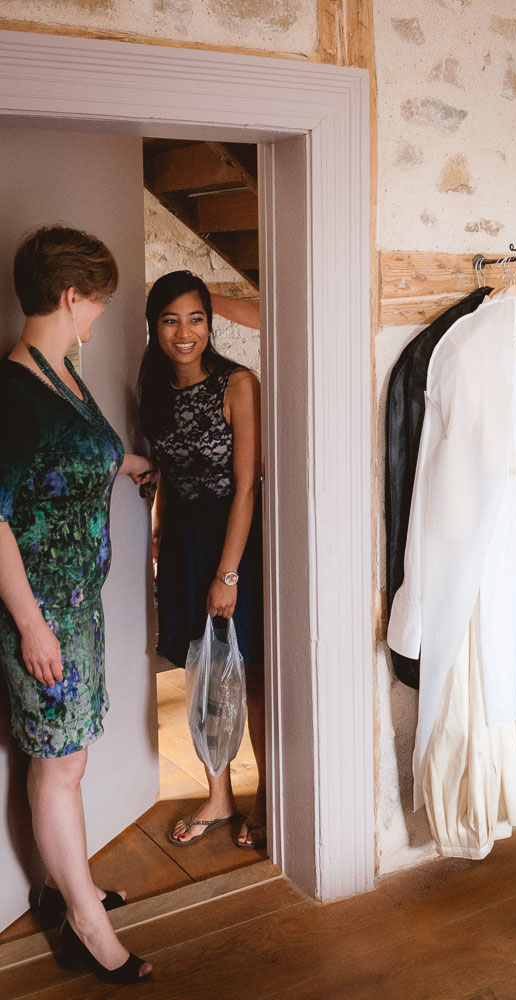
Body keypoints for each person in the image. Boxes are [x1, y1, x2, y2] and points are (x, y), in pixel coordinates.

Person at [0, 226, 154, 984]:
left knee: (70, 757)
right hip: (41, 616)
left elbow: (74, 453)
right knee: (59, 763)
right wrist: (31, 625)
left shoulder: (62, 372)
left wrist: (129, 464)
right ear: (71, 295)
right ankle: (88, 925)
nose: (99, 314)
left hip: (79, 610)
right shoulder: (11, 393)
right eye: (97, 301)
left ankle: (67, 888)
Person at [139, 271, 266, 850]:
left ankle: (266, 795)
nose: (184, 332)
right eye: (170, 320)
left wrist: (227, 574)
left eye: (195, 319)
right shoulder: (155, 387)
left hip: (233, 542)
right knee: (202, 672)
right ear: (154, 326)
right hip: (184, 545)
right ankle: (219, 796)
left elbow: (246, 488)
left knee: (250, 672)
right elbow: (167, 472)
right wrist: (158, 531)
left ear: (211, 323)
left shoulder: (238, 384)